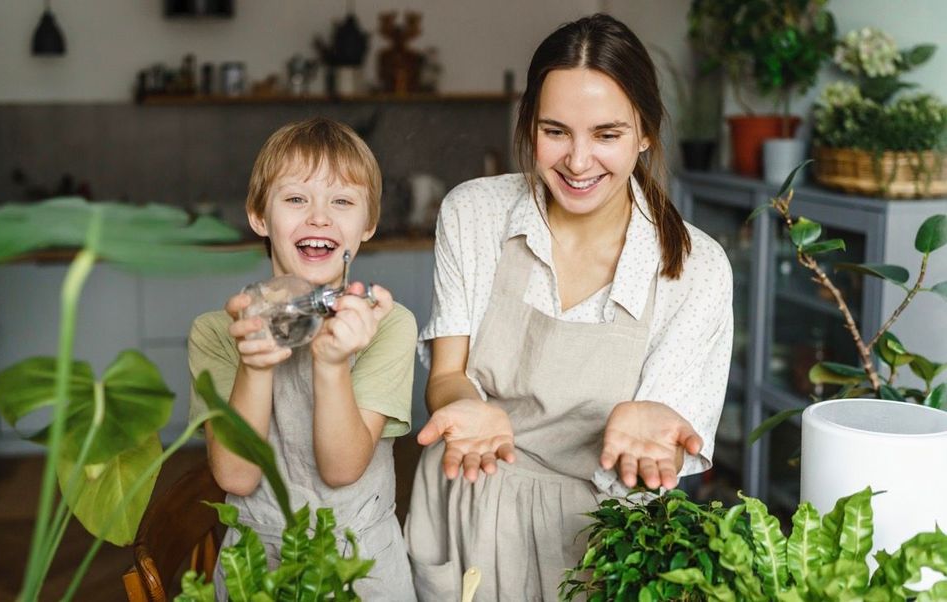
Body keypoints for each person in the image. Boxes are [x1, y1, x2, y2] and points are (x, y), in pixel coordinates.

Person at [404, 14, 733, 600]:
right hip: (470, 507)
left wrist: (645, 430)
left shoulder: (697, 269)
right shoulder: (474, 214)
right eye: (555, 131)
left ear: (646, 132)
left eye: (607, 135)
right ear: (529, 124)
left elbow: (658, 450)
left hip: (601, 537)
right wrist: (464, 406)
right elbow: (448, 375)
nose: (578, 162)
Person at [187, 117, 416, 601]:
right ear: (258, 216)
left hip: (362, 563)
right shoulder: (216, 333)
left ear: (368, 224)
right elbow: (236, 476)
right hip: (255, 564)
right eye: (296, 199)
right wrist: (255, 365)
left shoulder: (389, 326)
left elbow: (341, 469)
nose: (319, 218)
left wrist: (332, 364)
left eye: (342, 201)